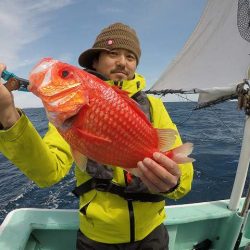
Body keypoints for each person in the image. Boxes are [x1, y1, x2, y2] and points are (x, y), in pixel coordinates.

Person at [0, 22, 193, 249]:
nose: (122, 61)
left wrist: (173, 182)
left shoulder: (153, 106)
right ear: (95, 61)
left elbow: (182, 182)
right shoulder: (66, 115)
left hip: (152, 233)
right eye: (113, 53)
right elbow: (48, 173)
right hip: (97, 237)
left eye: (130, 57)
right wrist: (8, 116)